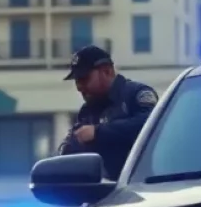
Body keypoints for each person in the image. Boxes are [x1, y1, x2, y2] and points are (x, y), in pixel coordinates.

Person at [57, 45, 159, 180]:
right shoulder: (87, 111)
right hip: (103, 192)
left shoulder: (136, 93)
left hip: (142, 186)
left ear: (107, 71)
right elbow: (68, 149)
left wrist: (98, 132)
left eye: (84, 79)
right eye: (76, 81)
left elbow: (151, 125)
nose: (79, 87)